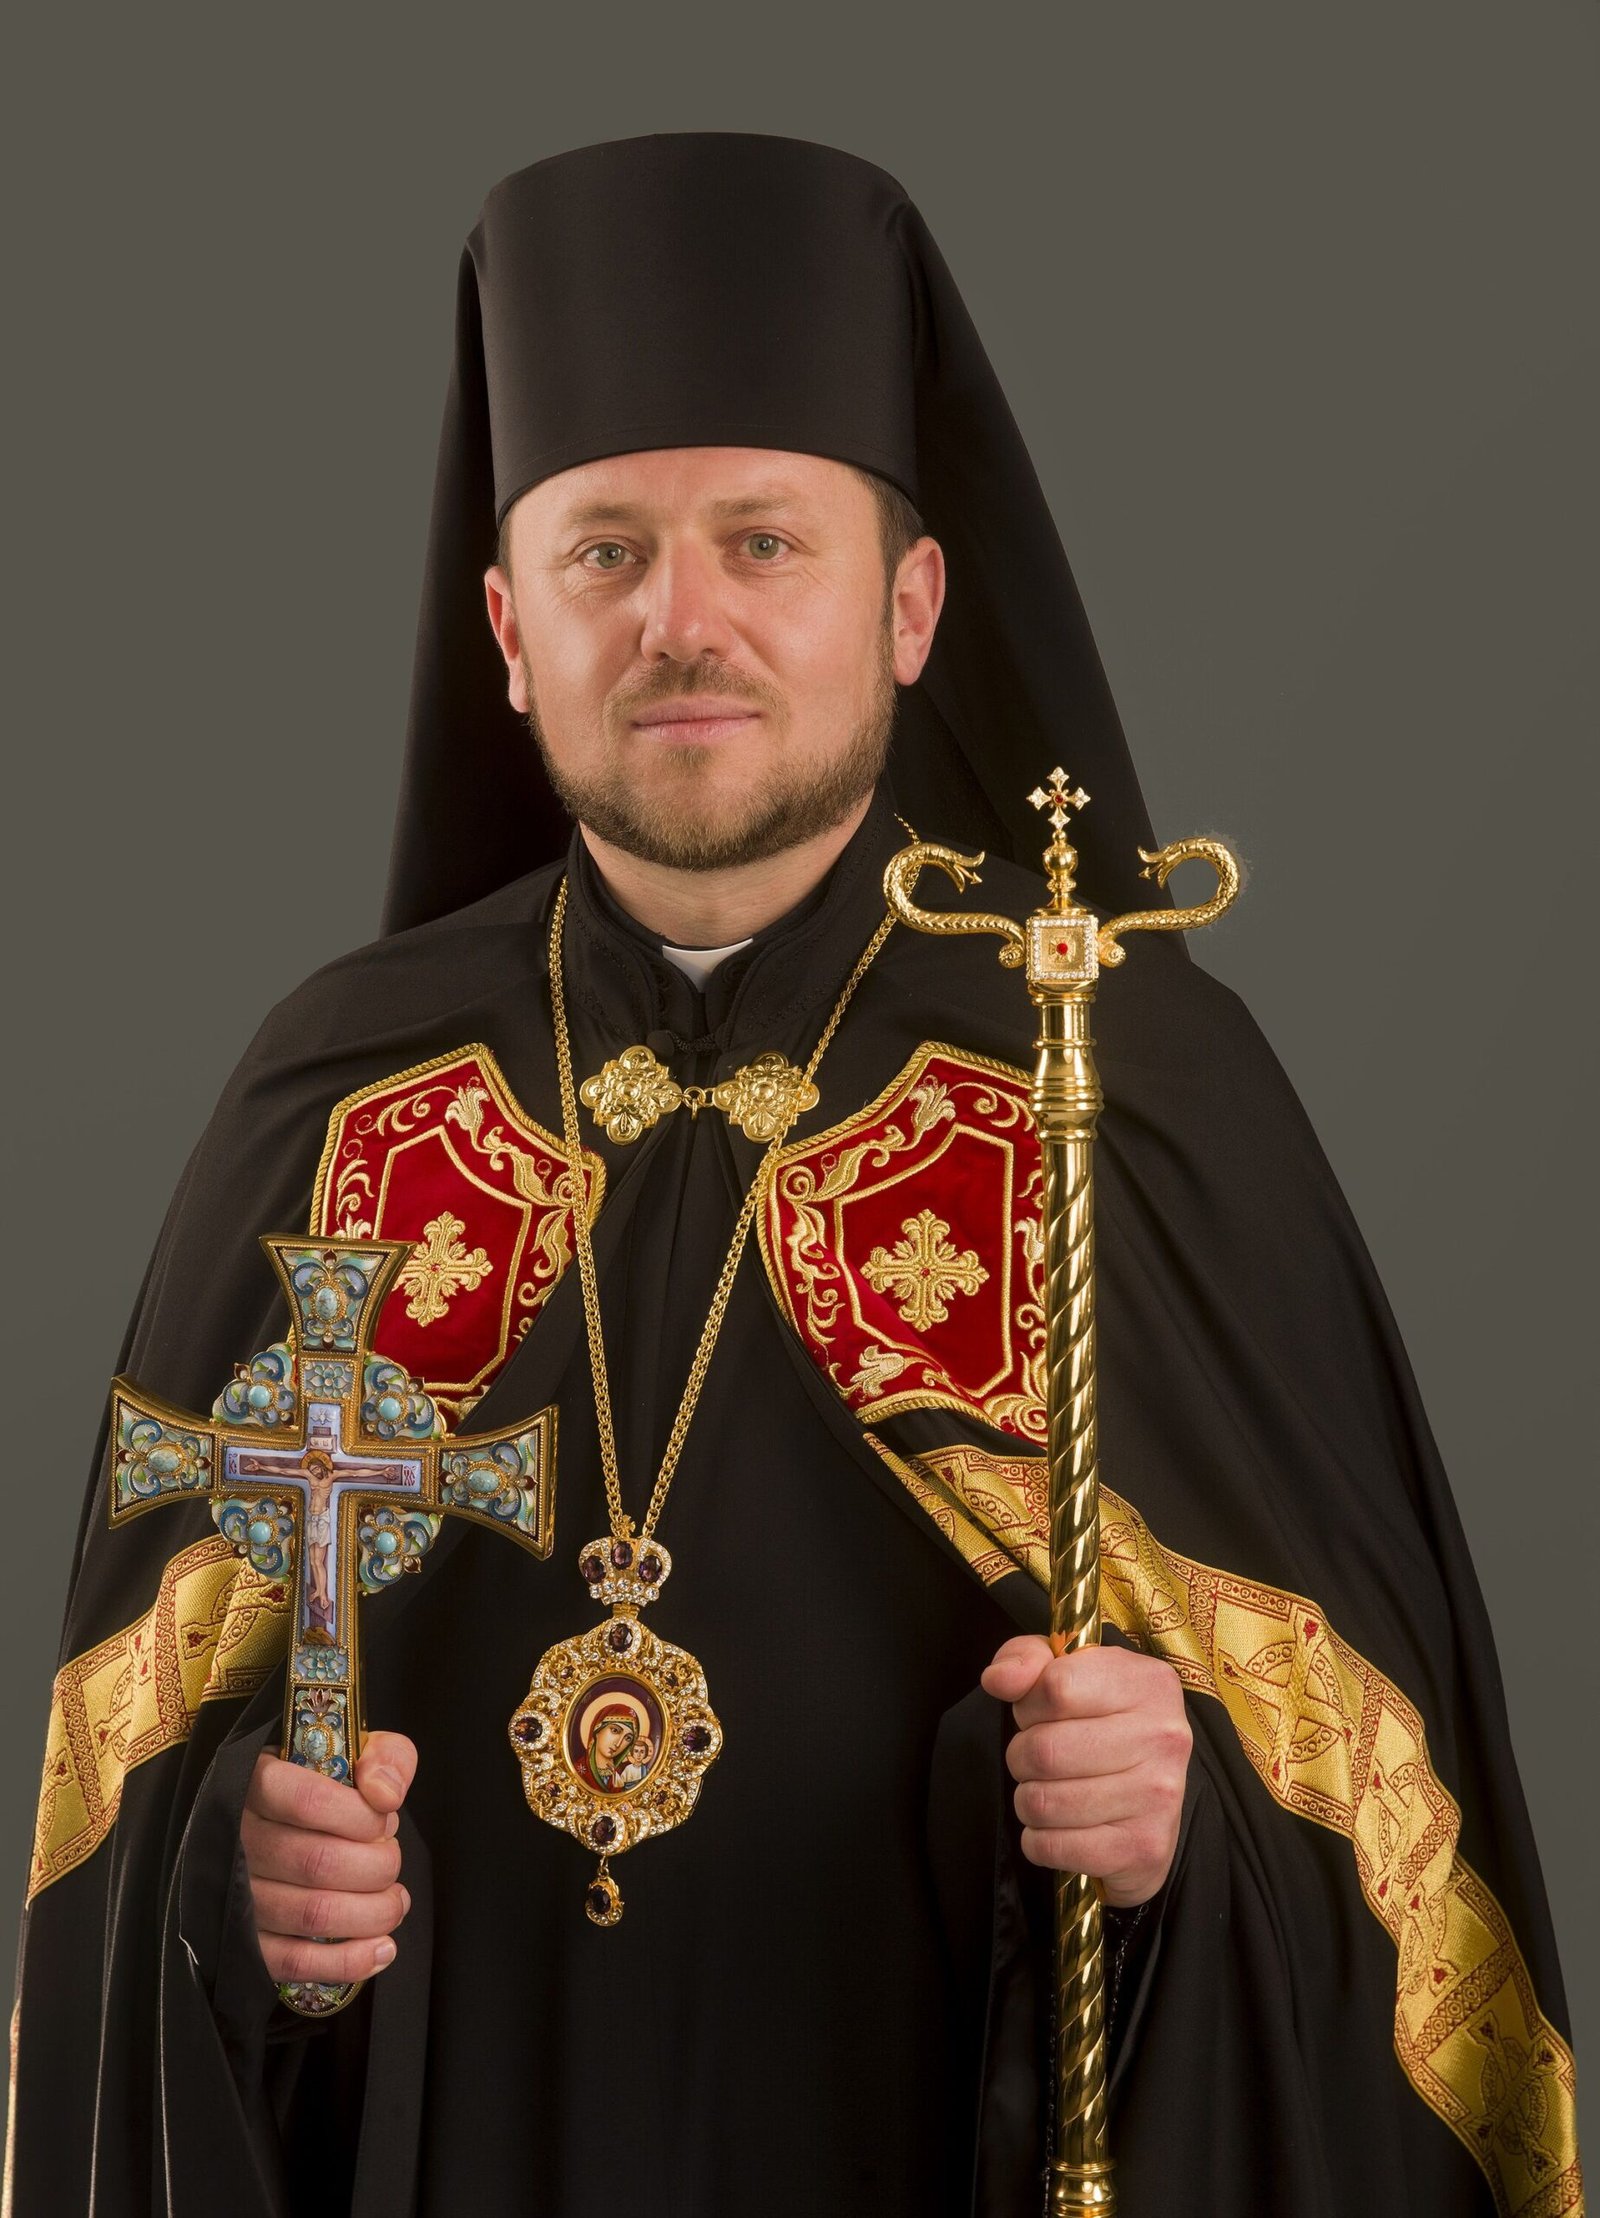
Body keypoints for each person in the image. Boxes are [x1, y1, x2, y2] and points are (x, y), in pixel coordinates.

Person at [5, 133, 1581, 2217]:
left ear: (909, 605)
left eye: (764, 541)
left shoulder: (1116, 1079)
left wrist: (1171, 1843)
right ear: (507, 627)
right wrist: (242, 1893)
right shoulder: (338, 1100)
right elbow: (123, 1837)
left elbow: (1392, 1899)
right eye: (605, 553)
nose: (684, 621)